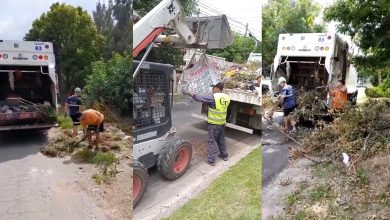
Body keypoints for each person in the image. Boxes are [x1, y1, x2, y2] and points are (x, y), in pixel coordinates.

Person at [186, 82, 231, 166]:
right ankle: (224, 155)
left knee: (212, 141)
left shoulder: (214, 97)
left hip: (214, 124)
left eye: (213, 88)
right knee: (221, 140)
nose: (212, 89)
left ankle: (211, 160)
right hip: (222, 123)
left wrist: (189, 93)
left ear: (217, 88)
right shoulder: (227, 97)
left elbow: (199, 98)